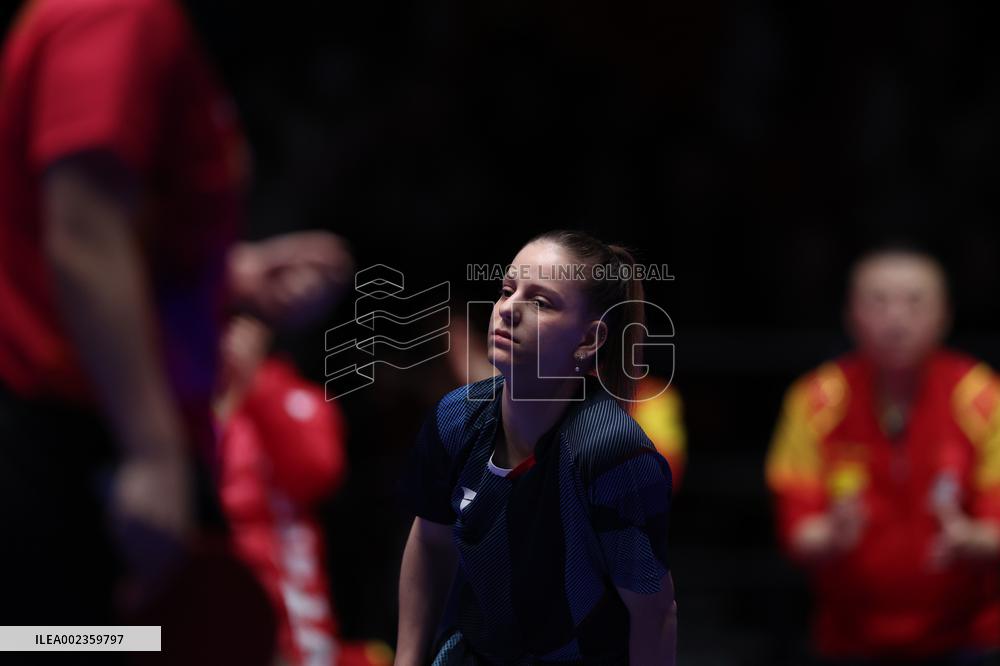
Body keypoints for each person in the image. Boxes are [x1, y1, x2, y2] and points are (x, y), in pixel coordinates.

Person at [396, 230, 677, 665]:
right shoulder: (455, 418)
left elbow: (653, 612)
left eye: (541, 302)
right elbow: (430, 542)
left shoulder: (611, 452)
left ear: (589, 340)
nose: (508, 310)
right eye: (507, 291)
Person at [765, 243, 1000, 665]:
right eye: (878, 302)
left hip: (968, 638)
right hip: (847, 639)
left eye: (914, 302)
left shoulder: (984, 397)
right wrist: (832, 536)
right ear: (850, 315)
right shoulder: (814, 400)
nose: (896, 320)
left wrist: (972, 539)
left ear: (944, 315)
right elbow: (796, 531)